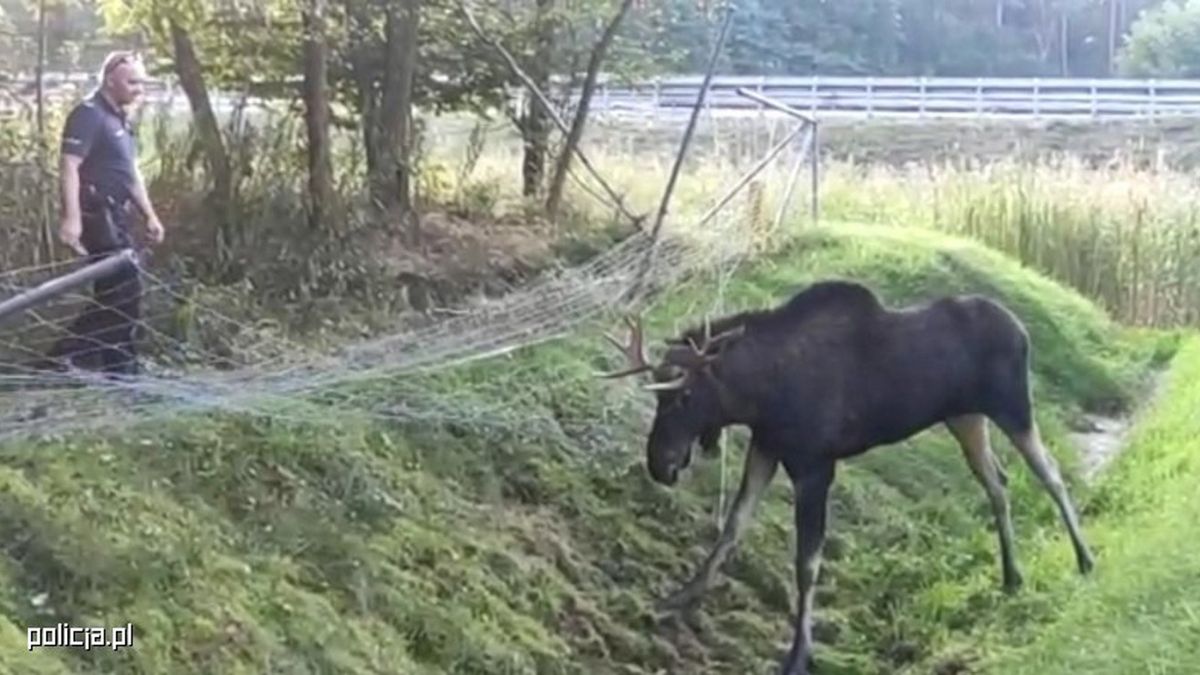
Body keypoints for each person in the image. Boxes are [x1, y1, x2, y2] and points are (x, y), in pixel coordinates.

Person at [43, 50, 165, 377]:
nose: (138, 88)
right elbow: (69, 165)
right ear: (110, 80)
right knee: (123, 291)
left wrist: (150, 215)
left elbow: (130, 174)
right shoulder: (88, 114)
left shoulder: (119, 119)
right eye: (132, 81)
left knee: (121, 295)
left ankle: (118, 369)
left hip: (119, 215)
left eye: (141, 81)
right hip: (96, 215)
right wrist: (72, 219)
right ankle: (65, 359)